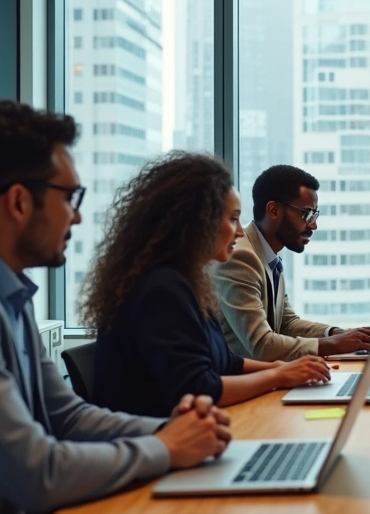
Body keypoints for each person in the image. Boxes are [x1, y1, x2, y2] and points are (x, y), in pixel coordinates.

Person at [0, 102, 230, 514]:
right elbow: (35, 472)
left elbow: (65, 416)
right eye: (70, 196)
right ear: (18, 202)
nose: (78, 214)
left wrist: (169, 430)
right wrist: (167, 448)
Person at [87, 153, 331, 418]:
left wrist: (284, 370)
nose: (239, 232)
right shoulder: (161, 288)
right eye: (232, 219)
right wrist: (279, 376)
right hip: (154, 440)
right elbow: (199, 386)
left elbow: (227, 362)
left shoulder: (187, 281)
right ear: (197, 223)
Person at [211, 165, 370, 361]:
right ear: (274, 210)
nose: (313, 225)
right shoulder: (241, 256)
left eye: (315, 215)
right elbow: (262, 345)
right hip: (237, 384)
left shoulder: (268, 256)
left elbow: (286, 323)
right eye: (307, 214)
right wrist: (334, 344)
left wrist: (336, 333)